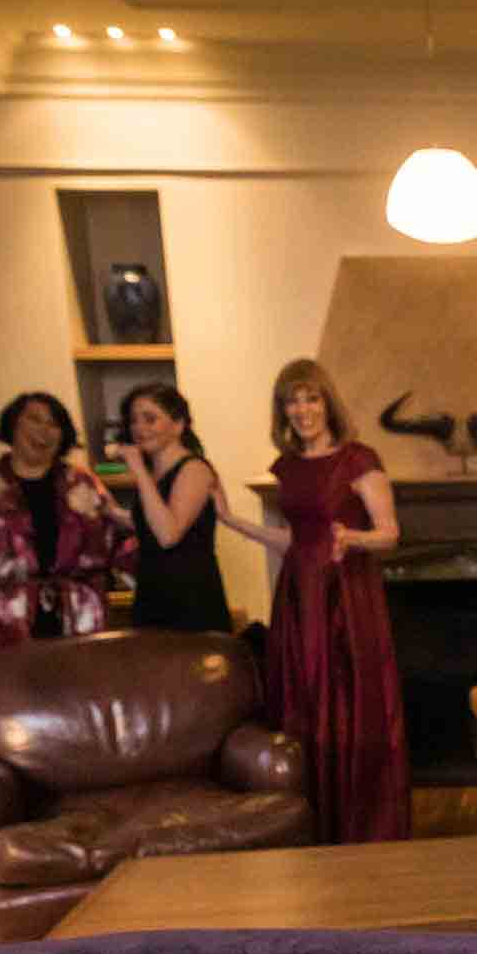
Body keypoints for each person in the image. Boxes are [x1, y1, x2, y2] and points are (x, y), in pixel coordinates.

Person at [211, 358, 409, 843]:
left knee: (350, 701)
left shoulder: (359, 460)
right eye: (291, 401)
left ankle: (362, 824)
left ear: (327, 403)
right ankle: (312, 825)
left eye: (311, 398)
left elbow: (390, 533)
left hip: (347, 596)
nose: (302, 409)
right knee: (304, 701)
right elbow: (292, 541)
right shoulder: (287, 468)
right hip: (300, 597)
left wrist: (353, 539)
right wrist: (229, 519)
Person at [0, 391, 135, 653]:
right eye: (34, 420)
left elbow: (118, 538)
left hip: (78, 617)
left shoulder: (81, 482)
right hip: (6, 618)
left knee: (76, 691)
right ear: (12, 426)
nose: (44, 431)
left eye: (54, 425)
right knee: (13, 691)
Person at [93, 382, 232, 634]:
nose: (139, 428)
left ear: (178, 425)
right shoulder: (153, 474)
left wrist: (138, 471)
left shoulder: (195, 469)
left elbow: (168, 534)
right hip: (152, 590)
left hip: (189, 599)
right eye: (134, 420)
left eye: (150, 419)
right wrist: (109, 510)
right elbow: (148, 524)